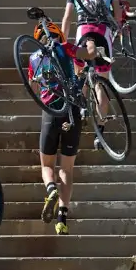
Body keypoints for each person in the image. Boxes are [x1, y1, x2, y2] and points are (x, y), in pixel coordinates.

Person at [28, 18, 101, 235]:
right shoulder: (65, 48)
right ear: (57, 34)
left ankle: (50, 189)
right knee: (67, 168)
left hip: (50, 112)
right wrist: (89, 42)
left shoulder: (33, 59)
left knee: (46, 166)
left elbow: (32, 87)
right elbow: (89, 54)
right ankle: (62, 217)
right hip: (72, 112)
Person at [61, 0, 122, 148]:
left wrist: (62, 43)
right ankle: (100, 130)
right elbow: (118, 12)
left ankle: (80, 110)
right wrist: (117, 31)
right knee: (101, 83)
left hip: (83, 31)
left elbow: (67, 18)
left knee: (80, 74)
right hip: (103, 32)